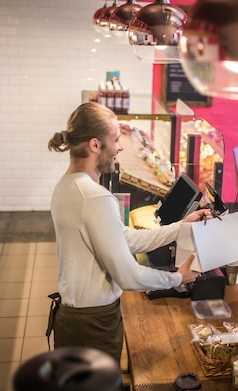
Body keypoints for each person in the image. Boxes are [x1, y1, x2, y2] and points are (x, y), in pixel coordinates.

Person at [47, 102, 213, 361]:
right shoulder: (94, 198)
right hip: (92, 325)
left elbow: (124, 239)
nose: (120, 147)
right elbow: (127, 275)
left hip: (76, 320)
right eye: (115, 140)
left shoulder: (66, 186)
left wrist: (182, 227)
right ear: (95, 145)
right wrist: (177, 279)